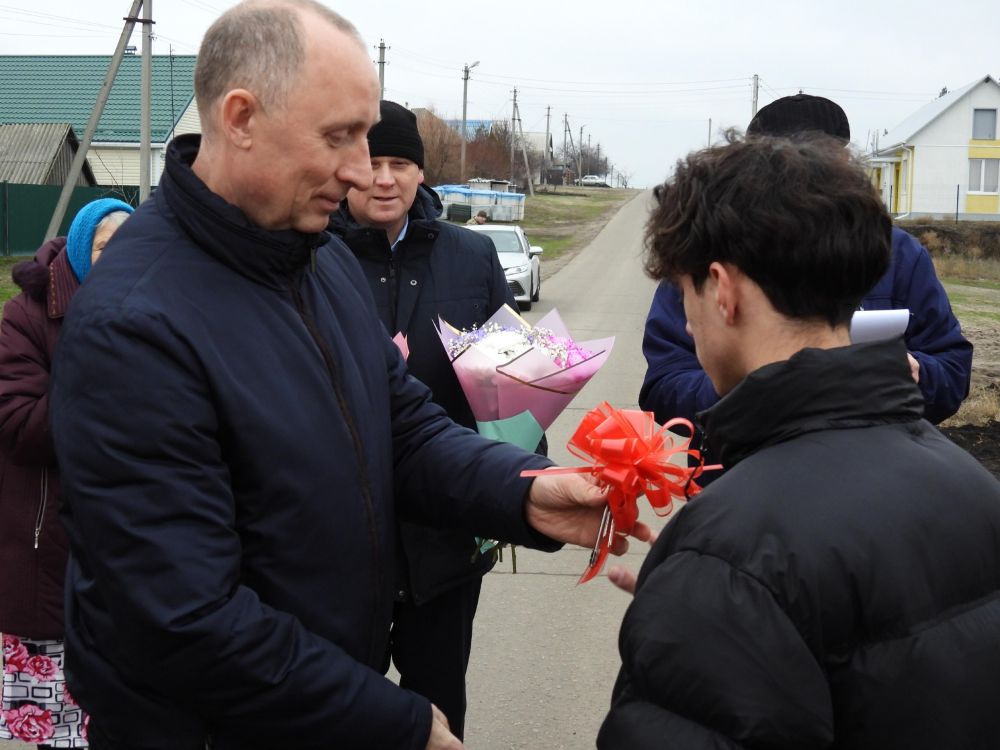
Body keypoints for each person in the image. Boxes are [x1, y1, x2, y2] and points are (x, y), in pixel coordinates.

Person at [48, 3, 639, 750]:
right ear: (240, 118)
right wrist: (395, 722)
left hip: (317, 703)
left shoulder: (319, 257)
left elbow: (403, 423)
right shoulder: (135, 325)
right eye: (340, 138)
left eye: (369, 137)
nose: (364, 172)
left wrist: (523, 492)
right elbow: (184, 617)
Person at [599, 132, 1000, 748]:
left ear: (723, 290)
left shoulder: (728, 553)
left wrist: (695, 606)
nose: (685, 320)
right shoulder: (977, 491)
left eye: (685, 296)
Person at [639, 95, 973, 469]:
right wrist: (751, 379)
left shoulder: (897, 252)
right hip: (736, 472)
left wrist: (915, 373)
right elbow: (663, 388)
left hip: (879, 471)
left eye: (820, 162)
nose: (800, 178)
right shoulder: (704, 249)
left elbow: (953, 370)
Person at [328, 100, 520, 741]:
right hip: (340, 536)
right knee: (338, 713)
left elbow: (512, 383)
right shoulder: (310, 255)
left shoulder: (470, 256)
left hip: (443, 534)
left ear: (420, 173)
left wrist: (514, 458)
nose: (385, 179)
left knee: (438, 714)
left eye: (401, 163)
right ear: (348, 166)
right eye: (372, 161)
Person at [0, 198, 133, 748]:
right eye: (105, 247)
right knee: (51, 731)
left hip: (125, 553)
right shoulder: (27, 316)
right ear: (80, 251)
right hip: (48, 544)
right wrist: (119, 404)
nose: (117, 259)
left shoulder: (153, 309)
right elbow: (19, 421)